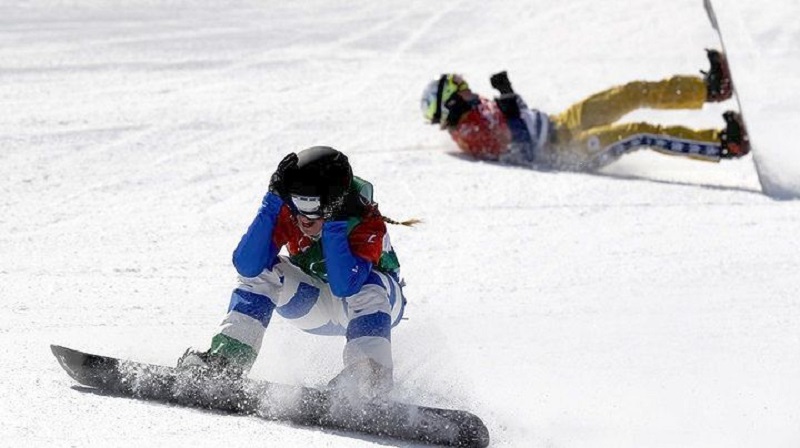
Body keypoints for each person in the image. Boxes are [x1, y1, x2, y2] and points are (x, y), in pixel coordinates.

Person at [178, 146, 409, 401]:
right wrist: (272, 202)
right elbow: (247, 264)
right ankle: (225, 363)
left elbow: (346, 285)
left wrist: (334, 224)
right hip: (315, 308)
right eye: (298, 201)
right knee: (265, 268)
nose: (305, 218)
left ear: (335, 202)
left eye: (313, 206)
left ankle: (369, 378)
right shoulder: (293, 213)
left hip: (372, 308)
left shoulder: (365, 220)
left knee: (368, 283)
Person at [420, 50, 750, 171]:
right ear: (451, 100)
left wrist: (510, 98)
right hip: (563, 150)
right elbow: (520, 151)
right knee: (640, 132)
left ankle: (709, 89)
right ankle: (723, 144)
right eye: (459, 86)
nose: (468, 88)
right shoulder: (470, 132)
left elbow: (519, 115)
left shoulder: (476, 113)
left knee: (629, 93)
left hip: (559, 125)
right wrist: (506, 97)